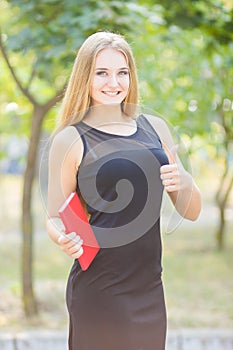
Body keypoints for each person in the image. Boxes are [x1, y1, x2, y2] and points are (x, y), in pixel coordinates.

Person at [46, 31, 201, 350]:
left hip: (149, 288)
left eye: (122, 72)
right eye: (101, 72)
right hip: (99, 290)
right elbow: (54, 216)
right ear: (85, 77)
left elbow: (192, 210)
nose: (113, 82)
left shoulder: (155, 128)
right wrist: (63, 237)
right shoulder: (71, 140)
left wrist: (184, 182)